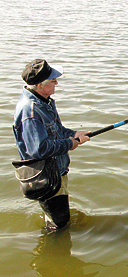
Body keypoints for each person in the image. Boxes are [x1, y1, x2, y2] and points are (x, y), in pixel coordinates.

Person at [13, 59, 90, 230]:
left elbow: (57, 130)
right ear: (40, 85)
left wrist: (74, 134)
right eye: (53, 80)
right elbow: (39, 149)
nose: (57, 83)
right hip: (46, 176)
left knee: (59, 220)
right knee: (59, 225)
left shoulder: (45, 101)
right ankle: (54, 248)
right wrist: (70, 144)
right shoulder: (31, 112)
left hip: (57, 171)